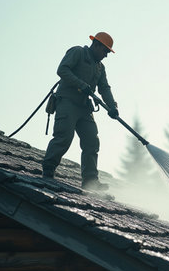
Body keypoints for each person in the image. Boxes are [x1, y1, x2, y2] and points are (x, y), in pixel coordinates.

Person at [42, 32, 119, 191]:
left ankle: (90, 181)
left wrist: (113, 107)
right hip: (68, 102)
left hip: (84, 108)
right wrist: (81, 84)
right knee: (64, 136)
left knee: (92, 141)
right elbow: (62, 70)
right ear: (97, 45)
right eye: (105, 51)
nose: (106, 56)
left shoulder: (100, 67)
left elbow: (104, 88)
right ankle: (48, 169)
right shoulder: (77, 52)